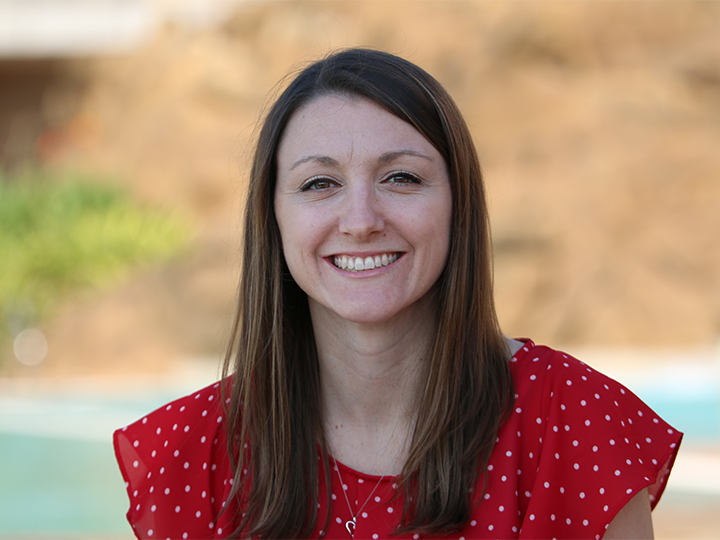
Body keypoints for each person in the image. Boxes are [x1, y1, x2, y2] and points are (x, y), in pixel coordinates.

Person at [114, 48, 682, 540]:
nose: (360, 220)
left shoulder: (576, 423)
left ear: (458, 205)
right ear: (274, 219)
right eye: (320, 184)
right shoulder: (188, 452)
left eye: (402, 178)